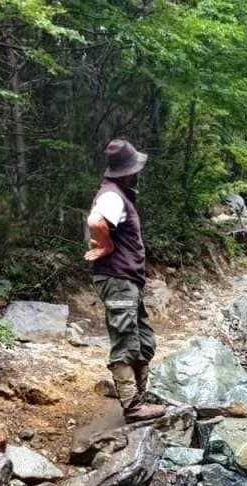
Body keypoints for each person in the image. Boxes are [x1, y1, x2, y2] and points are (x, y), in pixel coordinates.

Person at [85, 139, 164, 421]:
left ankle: (139, 398)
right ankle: (133, 408)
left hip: (126, 281)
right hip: (117, 280)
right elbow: (96, 222)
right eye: (136, 168)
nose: (138, 172)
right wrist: (106, 247)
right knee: (125, 339)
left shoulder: (119, 194)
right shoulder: (112, 195)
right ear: (128, 171)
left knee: (144, 340)